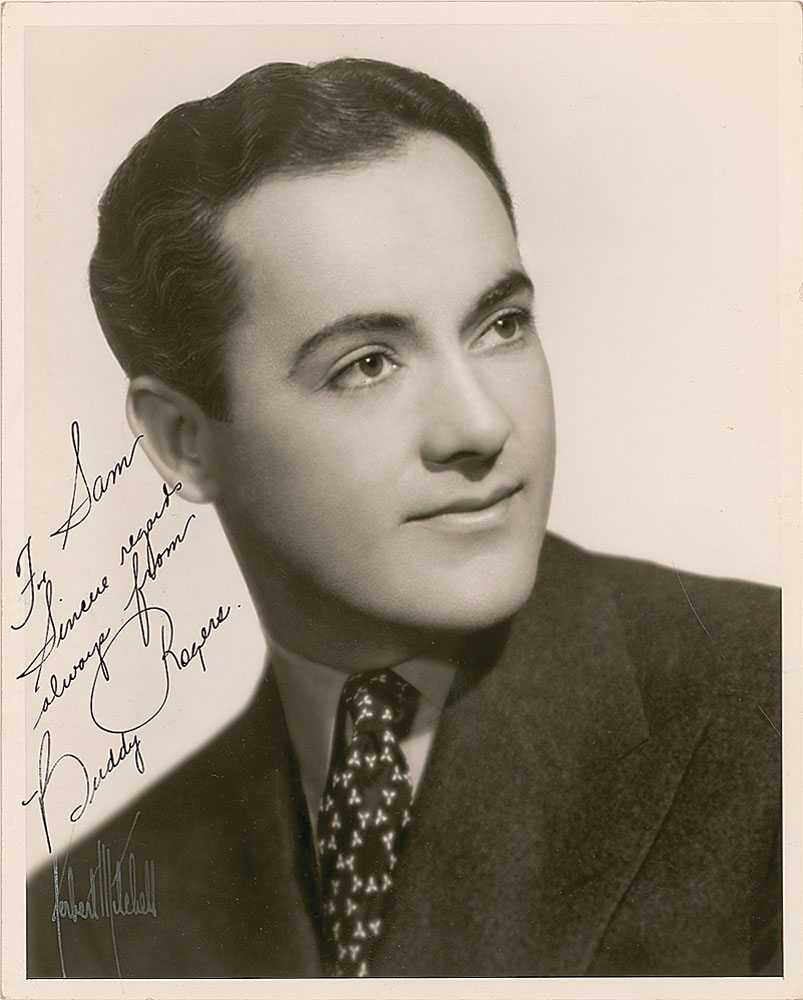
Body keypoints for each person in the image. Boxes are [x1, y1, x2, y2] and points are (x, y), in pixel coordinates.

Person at [26, 56, 781, 979]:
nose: (481, 426)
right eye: (367, 365)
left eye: (500, 324)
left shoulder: (771, 706)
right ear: (182, 440)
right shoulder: (76, 924)